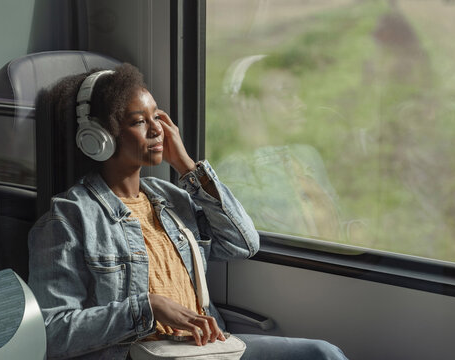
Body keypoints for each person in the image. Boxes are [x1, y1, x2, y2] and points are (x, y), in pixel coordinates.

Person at [27, 63, 348, 360]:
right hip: (145, 354)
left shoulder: (171, 199)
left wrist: (187, 166)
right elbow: (52, 332)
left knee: (323, 354)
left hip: (210, 348)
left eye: (158, 117)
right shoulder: (68, 218)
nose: (157, 130)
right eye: (139, 121)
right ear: (98, 138)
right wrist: (146, 308)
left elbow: (243, 243)